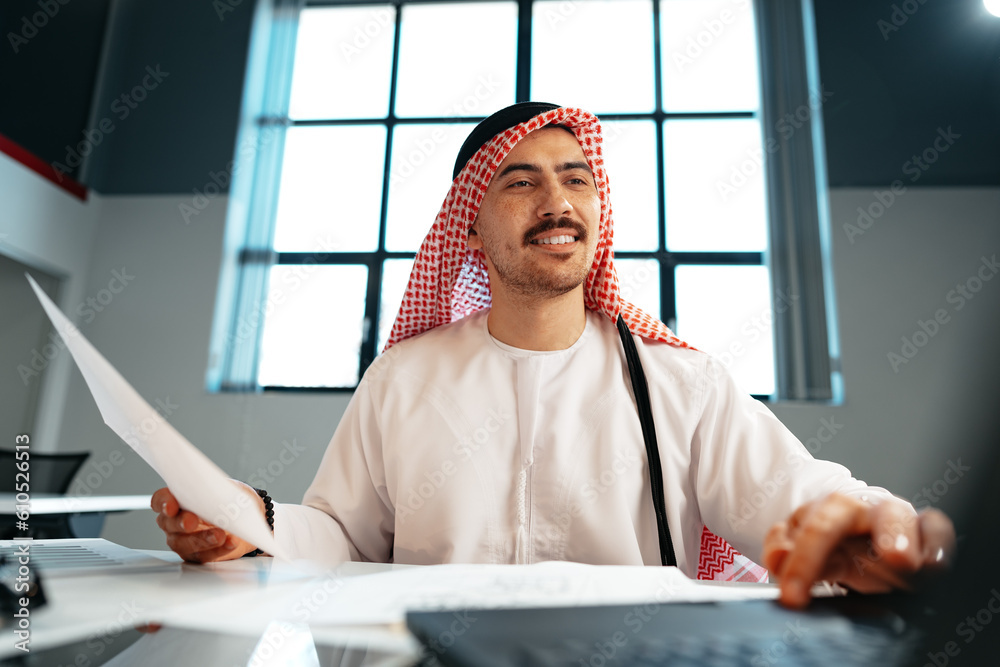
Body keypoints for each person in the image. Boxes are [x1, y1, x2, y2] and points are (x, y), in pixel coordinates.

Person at [152, 103, 954, 609]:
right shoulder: (404, 377)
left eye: (577, 179)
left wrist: (875, 524)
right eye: (522, 183)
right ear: (468, 225)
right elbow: (342, 535)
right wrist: (247, 524)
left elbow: (798, 497)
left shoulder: (681, 381)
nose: (558, 202)